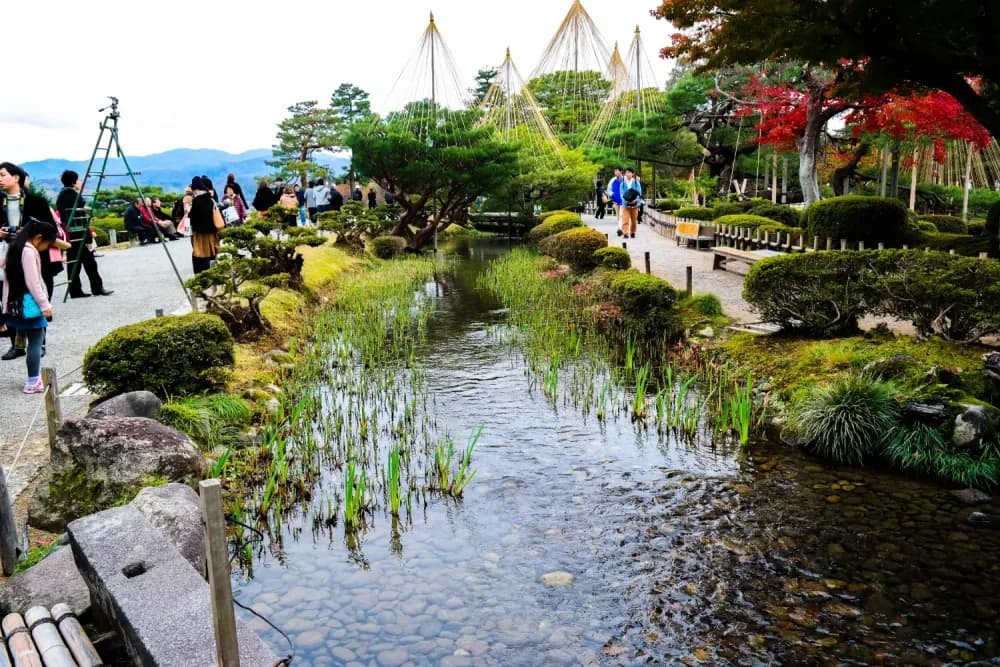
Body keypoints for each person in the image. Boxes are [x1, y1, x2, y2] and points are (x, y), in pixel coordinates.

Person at [0, 162, 60, 360]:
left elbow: (50, 229)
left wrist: (27, 231)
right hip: (8, 254)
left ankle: (38, 341)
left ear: (16, 178)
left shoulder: (36, 201)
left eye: (3, 175)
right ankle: (16, 345)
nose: (0, 179)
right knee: (9, 298)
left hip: (34, 254)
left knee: (38, 293)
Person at [0, 218, 66, 392]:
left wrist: (5, 306)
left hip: (14, 303)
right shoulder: (28, 252)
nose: (46, 248)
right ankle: (33, 381)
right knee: (36, 342)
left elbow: (6, 276)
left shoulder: (13, 247)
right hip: (30, 304)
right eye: (48, 243)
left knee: (24, 333)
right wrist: (45, 305)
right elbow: (33, 281)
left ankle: (20, 345)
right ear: (38, 238)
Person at [56, 170, 113, 297]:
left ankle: (75, 290)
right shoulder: (74, 196)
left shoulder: (61, 195)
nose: (80, 182)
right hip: (78, 233)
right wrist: (87, 238)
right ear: (74, 181)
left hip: (69, 232)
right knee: (90, 263)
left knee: (73, 262)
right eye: (78, 179)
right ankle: (97, 288)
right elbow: (81, 218)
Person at [187, 176, 224, 273]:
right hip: (212, 232)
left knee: (200, 254)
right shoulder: (210, 200)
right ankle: (215, 274)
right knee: (213, 252)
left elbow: (193, 218)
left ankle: (202, 276)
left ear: (195, 189)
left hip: (199, 233)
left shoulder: (196, 201)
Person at [619, 167, 642, 239]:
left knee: (634, 220)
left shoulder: (636, 183)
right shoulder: (622, 184)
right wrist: (627, 200)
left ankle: (633, 232)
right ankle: (625, 233)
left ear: (632, 174)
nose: (627, 174)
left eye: (629, 172)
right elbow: (622, 194)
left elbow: (639, 193)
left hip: (635, 205)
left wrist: (635, 200)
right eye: (626, 173)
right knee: (625, 219)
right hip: (625, 205)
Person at [605, 166, 624, 235]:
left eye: (617, 171)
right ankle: (620, 226)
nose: (616, 172)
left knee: (622, 214)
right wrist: (612, 195)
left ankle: (619, 228)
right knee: (618, 215)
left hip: (623, 201)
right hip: (616, 200)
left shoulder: (625, 179)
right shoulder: (612, 180)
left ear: (621, 171)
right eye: (615, 171)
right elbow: (608, 189)